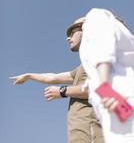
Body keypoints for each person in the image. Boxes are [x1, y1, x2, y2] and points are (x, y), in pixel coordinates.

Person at [10, 17, 104, 143]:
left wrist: (62, 91)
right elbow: (53, 77)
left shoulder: (100, 57)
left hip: (91, 129)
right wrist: (29, 75)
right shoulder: (83, 67)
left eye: (72, 32)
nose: (68, 38)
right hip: (81, 132)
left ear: (86, 31)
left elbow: (101, 90)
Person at [79, 8, 134, 143]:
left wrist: (105, 87)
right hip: (117, 107)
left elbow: (103, 51)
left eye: (76, 28)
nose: (70, 36)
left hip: (119, 99)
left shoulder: (95, 16)